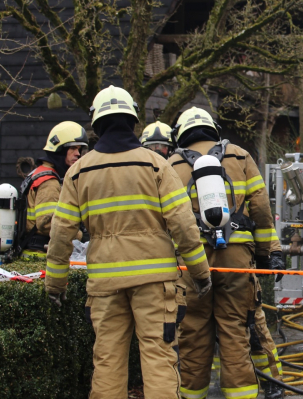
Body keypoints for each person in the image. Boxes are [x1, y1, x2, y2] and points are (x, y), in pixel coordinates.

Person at [44, 86, 212, 399]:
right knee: (159, 360)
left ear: (97, 122)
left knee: (107, 362)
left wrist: (56, 284)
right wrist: (200, 273)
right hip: (155, 283)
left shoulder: (79, 171)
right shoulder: (155, 164)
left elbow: (61, 232)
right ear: (133, 119)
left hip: (105, 282)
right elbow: (184, 225)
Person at [168, 107, 284, 399]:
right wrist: (270, 252)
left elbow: (163, 220)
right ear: (214, 128)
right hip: (236, 258)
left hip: (192, 263)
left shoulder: (169, 165)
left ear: (180, 133)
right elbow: (260, 211)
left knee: (193, 332)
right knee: (235, 328)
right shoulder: (240, 156)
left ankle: (192, 396)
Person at [20, 121, 88, 258]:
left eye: (79, 149)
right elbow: (46, 224)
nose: (78, 154)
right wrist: (80, 235)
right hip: (39, 256)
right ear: (60, 150)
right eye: (72, 149)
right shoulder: (49, 182)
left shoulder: (39, 173)